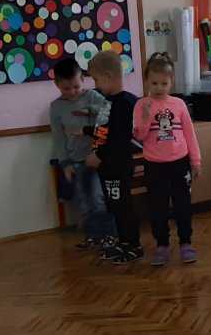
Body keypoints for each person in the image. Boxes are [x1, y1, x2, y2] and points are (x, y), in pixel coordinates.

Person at [133, 53, 201, 266]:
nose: (159, 87)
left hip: (179, 163)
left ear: (171, 81)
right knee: (158, 206)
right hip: (154, 165)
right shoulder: (141, 104)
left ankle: (186, 242)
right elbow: (139, 135)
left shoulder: (179, 104)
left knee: (183, 205)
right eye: (154, 83)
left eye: (164, 83)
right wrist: (146, 117)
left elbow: (190, 134)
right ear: (147, 81)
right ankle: (161, 245)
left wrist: (196, 161)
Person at [49, 58, 114, 252]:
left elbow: (109, 109)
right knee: (84, 202)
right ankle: (92, 236)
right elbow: (58, 138)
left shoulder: (92, 96)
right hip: (75, 161)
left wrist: (89, 111)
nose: (72, 92)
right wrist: (65, 163)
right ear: (57, 84)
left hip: (95, 158)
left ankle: (108, 235)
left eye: (76, 87)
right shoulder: (56, 107)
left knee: (97, 198)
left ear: (83, 80)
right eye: (66, 88)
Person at [85, 51, 142, 265]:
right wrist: (86, 131)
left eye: (96, 79)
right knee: (114, 206)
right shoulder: (107, 102)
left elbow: (119, 137)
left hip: (117, 165)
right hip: (107, 167)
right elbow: (104, 129)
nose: (95, 85)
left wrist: (99, 154)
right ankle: (124, 241)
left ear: (109, 76)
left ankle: (134, 245)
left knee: (123, 206)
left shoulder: (125, 103)